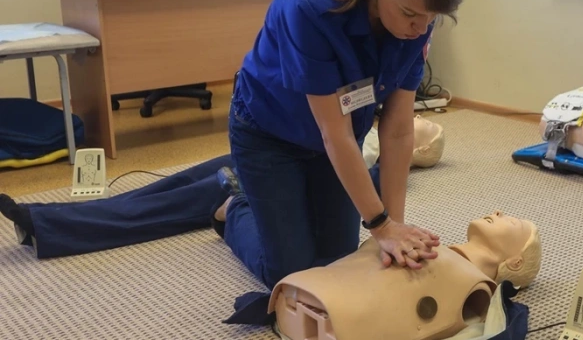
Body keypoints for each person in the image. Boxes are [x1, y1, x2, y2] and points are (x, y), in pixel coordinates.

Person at [220, 0, 463, 290]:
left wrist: (392, 226)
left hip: (339, 138)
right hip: (269, 132)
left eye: (431, 18)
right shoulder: (310, 3)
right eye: (410, 15)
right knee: (293, 273)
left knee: (339, 261)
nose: (420, 29)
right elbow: (334, 133)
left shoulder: (417, 13)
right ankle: (233, 206)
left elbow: (399, 128)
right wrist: (380, 224)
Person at [0, 116, 446, 260]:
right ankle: (48, 217)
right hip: (276, 154)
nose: (420, 125)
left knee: (177, 202)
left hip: (273, 185)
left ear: (421, 151)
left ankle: (48, 224)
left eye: (424, 132)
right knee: (174, 182)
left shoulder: (378, 175)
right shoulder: (374, 130)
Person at [269, 211, 541, 340]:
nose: (497, 213)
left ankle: (234, 206)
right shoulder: (427, 244)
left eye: (511, 221)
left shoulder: (478, 287)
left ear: (515, 262)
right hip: (313, 288)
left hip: (337, 314)